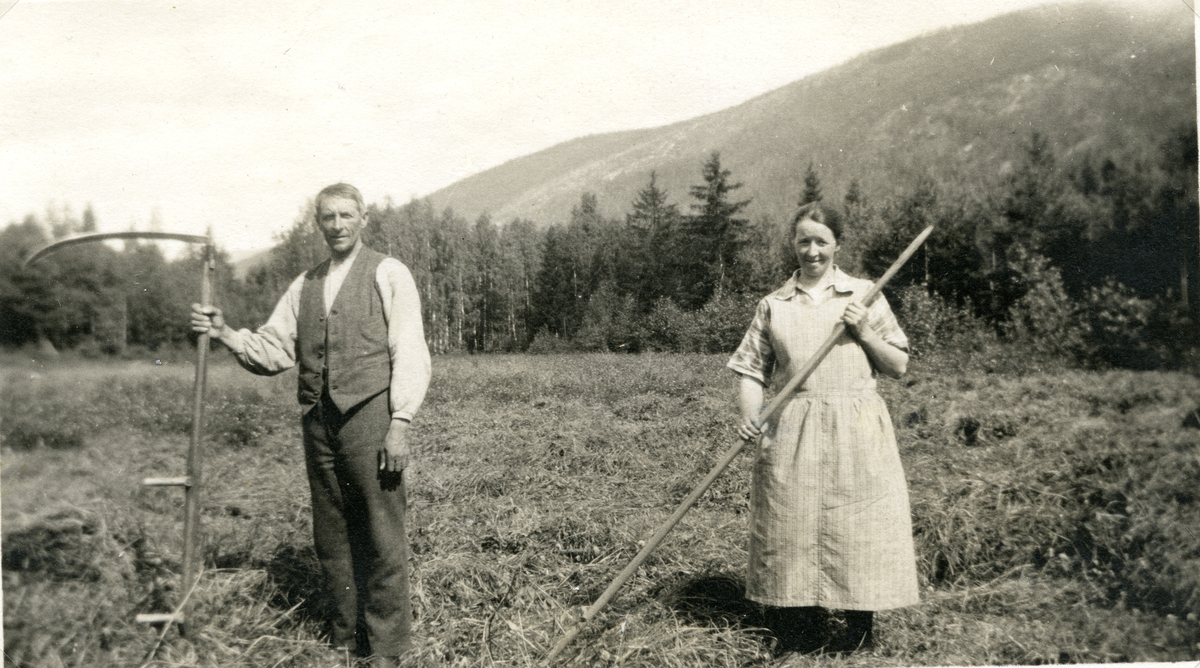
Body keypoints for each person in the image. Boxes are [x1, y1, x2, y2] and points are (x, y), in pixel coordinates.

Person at [191, 183, 431, 666]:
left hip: (370, 417)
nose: (338, 225)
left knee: (381, 533)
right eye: (328, 217)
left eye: (347, 215)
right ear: (317, 223)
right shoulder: (305, 284)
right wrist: (223, 333)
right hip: (318, 423)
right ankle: (345, 637)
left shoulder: (388, 272)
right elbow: (275, 349)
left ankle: (387, 648)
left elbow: (410, 348)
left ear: (364, 218)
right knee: (332, 534)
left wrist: (400, 422)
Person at [726, 201, 919, 656]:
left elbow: (899, 365)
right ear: (793, 245)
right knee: (791, 523)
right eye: (803, 241)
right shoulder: (774, 304)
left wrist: (866, 331)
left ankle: (857, 633)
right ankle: (797, 631)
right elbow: (751, 370)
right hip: (793, 426)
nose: (812, 251)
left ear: (837, 244)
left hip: (856, 428)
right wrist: (750, 414)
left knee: (858, 526)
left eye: (821, 241)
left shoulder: (866, 294)